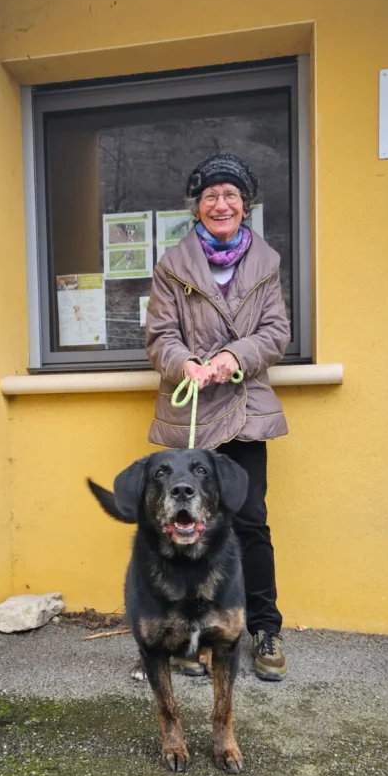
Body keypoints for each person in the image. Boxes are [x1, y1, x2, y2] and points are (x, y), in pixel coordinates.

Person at [144, 153, 291, 681]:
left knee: (249, 520)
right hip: (191, 413)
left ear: (245, 206)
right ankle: (192, 633)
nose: (221, 203)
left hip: (247, 410)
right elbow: (159, 335)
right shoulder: (172, 265)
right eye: (210, 196)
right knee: (186, 525)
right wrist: (186, 361)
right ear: (198, 208)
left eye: (230, 195)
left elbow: (275, 332)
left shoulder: (266, 264)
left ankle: (264, 628)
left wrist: (235, 357)